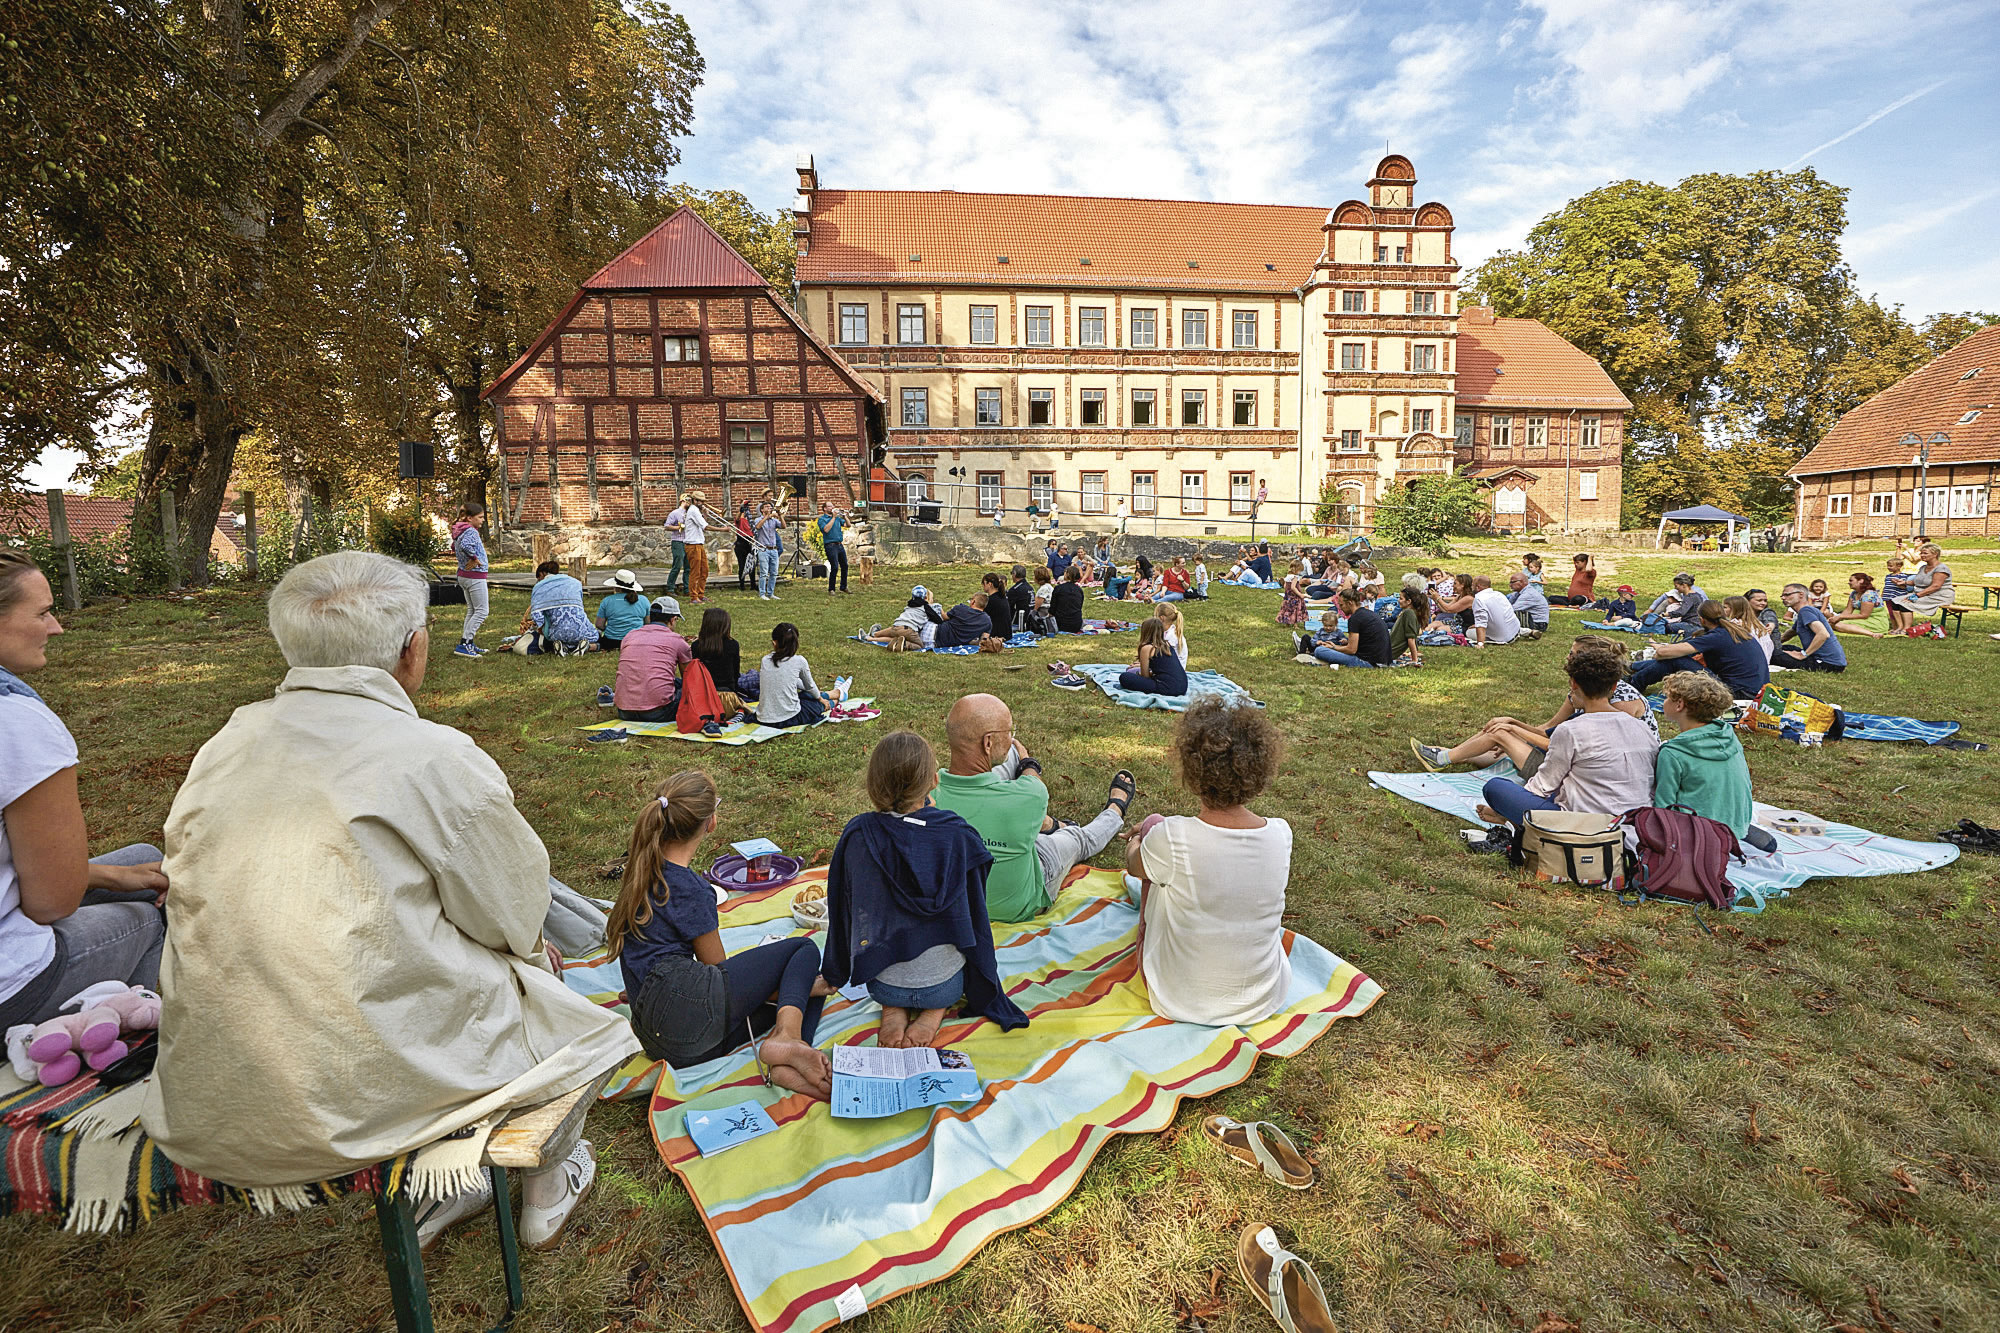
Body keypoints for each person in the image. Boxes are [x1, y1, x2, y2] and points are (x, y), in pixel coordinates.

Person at [141, 552, 639, 1246]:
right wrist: (528, 956)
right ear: (413, 650)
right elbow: (516, 912)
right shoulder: (432, 755)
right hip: (358, 1097)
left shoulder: (225, 744)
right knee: (565, 1004)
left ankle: (456, 1180)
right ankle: (545, 1174)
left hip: (216, 1099)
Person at [0, 552, 170, 1034]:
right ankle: (120, 1053)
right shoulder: (16, 724)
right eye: (41, 613)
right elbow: (50, 904)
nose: (56, 628)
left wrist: (112, 875)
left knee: (141, 859)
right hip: (10, 987)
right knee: (153, 913)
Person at [611, 771, 832, 1097]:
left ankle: (789, 1058)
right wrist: (775, 983)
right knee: (803, 953)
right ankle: (788, 1039)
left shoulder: (639, 873)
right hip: (691, 1011)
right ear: (710, 822)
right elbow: (718, 970)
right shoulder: (690, 889)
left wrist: (785, 988)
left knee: (797, 995)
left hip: (669, 1045)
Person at [824, 732, 1029, 1048]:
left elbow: (842, 909)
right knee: (940, 981)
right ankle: (933, 1014)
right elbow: (974, 912)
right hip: (944, 985)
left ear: (873, 783)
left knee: (893, 979)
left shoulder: (859, 835)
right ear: (934, 780)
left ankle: (893, 1010)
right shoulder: (957, 834)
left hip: (881, 983)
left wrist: (834, 971)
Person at [1124, 696, 1291, 1026]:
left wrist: (1138, 838)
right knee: (1159, 828)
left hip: (1179, 997)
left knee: (1155, 824)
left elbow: (1133, 866)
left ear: (1192, 770)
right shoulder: (1281, 835)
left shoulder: (1172, 837)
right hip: (1263, 997)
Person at [933, 694, 1135, 923]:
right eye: (1009, 732)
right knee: (1077, 838)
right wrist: (1028, 762)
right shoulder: (1031, 794)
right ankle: (1114, 812)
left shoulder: (926, 794)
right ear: (988, 742)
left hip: (957, 905)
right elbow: (1031, 782)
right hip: (1019, 903)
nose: (1011, 738)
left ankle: (1049, 824)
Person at [1475, 643, 1659, 831]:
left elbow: (1542, 786)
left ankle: (1511, 820)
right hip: (1635, 823)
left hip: (1582, 826)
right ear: (1613, 686)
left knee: (1495, 788)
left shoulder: (1572, 729)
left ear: (1573, 684)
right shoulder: (1641, 728)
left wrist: (1509, 806)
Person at [1412, 635, 1656, 775]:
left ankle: (1444, 757)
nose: (1567, 658)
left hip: (1590, 769)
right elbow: (1548, 729)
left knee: (1504, 735)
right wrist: (1512, 723)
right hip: (1574, 758)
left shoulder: (1622, 705)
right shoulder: (1583, 690)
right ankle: (1450, 755)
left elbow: (1569, 746)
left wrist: (1513, 731)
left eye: (1572, 655)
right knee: (1503, 732)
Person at [1652, 672, 1777, 853]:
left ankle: (1718, 835)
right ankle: (1733, 829)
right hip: (1736, 817)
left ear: (1679, 705)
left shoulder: (1673, 753)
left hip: (1697, 832)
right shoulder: (1728, 735)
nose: (1663, 702)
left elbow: (1664, 806)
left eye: (1667, 698)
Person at [1628, 598, 1769, 699]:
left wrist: (1662, 653)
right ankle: (1632, 667)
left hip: (1739, 693)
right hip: (1758, 691)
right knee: (1680, 658)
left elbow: (1662, 653)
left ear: (1701, 620)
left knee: (1676, 660)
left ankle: (1634, 683)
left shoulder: (1716, 636)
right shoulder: (1734, 631)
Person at [613, 597, 690, 722]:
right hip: (659, 712)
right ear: (672, 619)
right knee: (688, 687)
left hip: (624, 711)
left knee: (674, 682)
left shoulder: (630, 636)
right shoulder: (676, 640)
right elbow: (689, 677)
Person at [758, 623, 840, 727]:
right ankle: (834, 700)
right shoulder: (799, 661)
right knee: (814, 704)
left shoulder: (765, 660)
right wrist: (820, 699)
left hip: (764, 718)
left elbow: (792, 681)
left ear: (774, 643)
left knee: (806, 694)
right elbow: (809, 685)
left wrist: (815, 693)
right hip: (789, 718)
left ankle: (834, 693)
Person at [690, 607, 749, 723]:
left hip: (703, 699)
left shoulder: (697, 646)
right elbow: (735, 674)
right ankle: (737, 713)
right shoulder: (733, 645)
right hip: (727, 698)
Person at [527, 561, 598, 654]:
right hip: (581, 630)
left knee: (546, 639)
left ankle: (561, 646)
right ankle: (586, 646)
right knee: (596, 637)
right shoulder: (575, 583)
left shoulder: (539, 587)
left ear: (541, 573)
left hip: (557, 633)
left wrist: (541, 629)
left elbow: (536, 614)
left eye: (538, 578)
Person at [1775, 583, 1848, 672]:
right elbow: (1791, 632)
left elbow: (1823, 634)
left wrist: (1803, 655)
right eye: (1782, 596)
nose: (1783, 598)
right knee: (1782, 648)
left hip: (1828, 664)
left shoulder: (1806, 611)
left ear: (1801, 595)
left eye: (1787, 595)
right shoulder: (1804, 612)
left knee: (1774, 655)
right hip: (1831, 662)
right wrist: (1772, 643)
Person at [449, 501, 491, 657]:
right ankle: (465, 643)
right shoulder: (471, 532)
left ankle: (469, 642)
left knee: (472, 610)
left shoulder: (459, 530)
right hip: (475, 576)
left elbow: (455, 547)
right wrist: (474, 558)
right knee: (482, 611)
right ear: (469, 518)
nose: (482, 520)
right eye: (480, 517)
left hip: (464, 576)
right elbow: (466, 546)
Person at [1312, 588, 1390, 668]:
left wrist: (1334, 647)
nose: (1340, 608)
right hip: (1384, 660)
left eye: (1341, 605)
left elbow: (1351, 650)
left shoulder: (1355, 618)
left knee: (1319, 651)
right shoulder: (1368, 613)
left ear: (1350, 603)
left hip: (1368, 662)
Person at [1885, 543, 1954, 632]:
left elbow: (1936, 586)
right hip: (1924, 594)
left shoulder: (1941, 568)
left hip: (1938, 596)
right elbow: (1917, 581)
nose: (1922, 555)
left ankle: (1906, 629)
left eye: (1925, 553)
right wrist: (1904, 582)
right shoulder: (1923, 567)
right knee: (1895, 601)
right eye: (1921, 553)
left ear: (1935, 554)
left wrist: (1917, 595)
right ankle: (1899, 627)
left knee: (1906, 603)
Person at [1120, 617, 1189, 696]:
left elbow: (1145, 676)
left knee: (1125, 677)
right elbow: (1164, 666)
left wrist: (1138, 672)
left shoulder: (1147, 648)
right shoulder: (1167, 644)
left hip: (1168, 688)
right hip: (1183, 686)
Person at [867, 586, 944, 651]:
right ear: (925, 597)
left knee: (894, 636)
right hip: (909, 630)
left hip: (895, 627)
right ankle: (904, 644)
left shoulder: (909, 605)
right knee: (920, 646)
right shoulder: (926, 607)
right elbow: (938, 620)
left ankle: (872, 637)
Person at [594, 570, 652, 651]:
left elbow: (599, 625)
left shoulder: (607, 601)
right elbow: (648, 623)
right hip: (637, 640)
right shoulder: (644, 600)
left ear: (616, 586)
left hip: (612, 641)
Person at [679, 490, 716, 603]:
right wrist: (723, 530)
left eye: (703, 501)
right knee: (695, 572)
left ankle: (700, 594)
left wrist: (705, 514)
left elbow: (701, 523)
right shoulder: (693, 510)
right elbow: (705, 527)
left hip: (699, 543)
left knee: (704, 570)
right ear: (694, 500)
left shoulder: (697, 511)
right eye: (700, 501)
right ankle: (694, 597)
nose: (702, 503)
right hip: (692, 544)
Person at [1831, 571, 1888, 637]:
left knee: (1838, 625)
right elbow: (1848, 610)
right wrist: (1837, 617)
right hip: (1860, 619)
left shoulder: (1869, 595)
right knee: (1830, 623)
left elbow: (1864, 615)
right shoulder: (1854, 593)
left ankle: (1872, 634)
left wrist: (1841, 617)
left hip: (1874, 621)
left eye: (1851, 580)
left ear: (1861, 581)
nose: (1849, 583)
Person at [1470, 575, 1521, 646]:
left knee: (1469, 632)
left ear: (1478, 587)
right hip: (1515, 630)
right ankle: (1526, 632)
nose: (1471, 588)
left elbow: (1481, 622)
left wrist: (1480, 644)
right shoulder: (1499, 594)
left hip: (1502, 638)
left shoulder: (1479, 599)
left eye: (1472, 585)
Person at [815, 501, 852, 597]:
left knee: (845, 566)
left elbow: (848, 525)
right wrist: (834, 517)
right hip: (830, 546)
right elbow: (826, 530)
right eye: (829, 506)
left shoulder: (838, 518)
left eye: (833, 506)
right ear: (825, 509)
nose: (832, 507)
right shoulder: (822, 519)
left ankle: (843, 586)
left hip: (839, 545)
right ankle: (831, 589)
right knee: (835, 566)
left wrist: (845, 516)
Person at [1387, 585, 1427, 667]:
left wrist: (1414, 660)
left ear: (1409, 601)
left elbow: (1411, 639)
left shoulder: (1409, 613)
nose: (1399, 601)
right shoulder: (1410, 612)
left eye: (1401, 598)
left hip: (1386, 653)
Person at [662, 493, 694, 596]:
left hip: (688, 541)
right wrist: (679, 527)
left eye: (690, 500)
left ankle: (687, 589)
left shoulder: (691, 513)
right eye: (687, 500)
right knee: (677, 565)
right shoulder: (675, 513)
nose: (689, 502)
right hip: (678, 541)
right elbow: (667, 526)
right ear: (682, 501)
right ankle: (670, 588)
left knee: (688, 567)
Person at [753, 500, 784, 600]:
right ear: (762, 510)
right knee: (764, 573)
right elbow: (757, 527)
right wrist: (767, 517)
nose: (769, 508)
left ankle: (771, 593)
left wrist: (780, 515)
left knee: (774, 573)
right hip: (763, 549)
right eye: (766, 507)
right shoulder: (758, 519)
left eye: (770, 507)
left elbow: (783, 526)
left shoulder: (774, 521)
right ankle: (762, 593)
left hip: (774, 549)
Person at [1051, 566, 1087, 634]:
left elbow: (1052, 608)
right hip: (1076, 624)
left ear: (1067, 574)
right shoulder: (1079, 590)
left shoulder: (1058, 588)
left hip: (1060, 624)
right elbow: (1079, 606)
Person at [1157, 600, 1191, 668]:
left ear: (1161, 618)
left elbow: (1163, 661)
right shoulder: (1167, 631)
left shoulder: (1171, 637)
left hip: (1172, 672)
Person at [981, 572, 1013, 640]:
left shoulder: (991, 600)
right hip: (1007, 633)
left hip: (997, 635)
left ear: (989, 584)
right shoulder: (1002, 597)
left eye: (984, 584)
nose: (983, 586)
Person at [733, 500, 757, 592]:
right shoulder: (740, 520)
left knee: (752, 565)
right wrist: (741, 510)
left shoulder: (749, 521)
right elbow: (737, 518)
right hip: (740, 544)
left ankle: (753, 584)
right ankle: (742, 585)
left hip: (749, 544)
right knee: (742, 565)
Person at [1007, 563, 1034, 631]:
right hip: (1032, 618)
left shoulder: (1015, 590)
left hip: (1020, 621)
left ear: (1014, 574)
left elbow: (1008, 606)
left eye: (1012, 573)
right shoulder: (1030, 587)